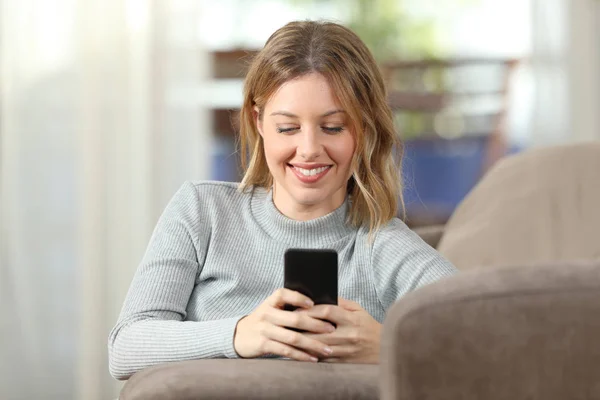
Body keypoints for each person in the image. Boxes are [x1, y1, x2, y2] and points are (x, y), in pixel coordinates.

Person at [108, 20, 457, 380]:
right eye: (288, 128)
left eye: (334, 127)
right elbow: (126, 348)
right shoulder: (202, 211)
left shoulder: (383, 245)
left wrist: (392, 347)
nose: (308, 150)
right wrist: (241, 334)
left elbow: (492, 340)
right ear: (258, 122)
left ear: (364, 128)